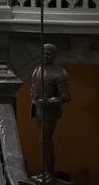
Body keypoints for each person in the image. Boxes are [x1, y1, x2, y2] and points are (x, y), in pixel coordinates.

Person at [28, 44, 70, 184]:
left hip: (50, 112)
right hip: (38, 109)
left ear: (54, 55)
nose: (45, 57)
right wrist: (35, 97)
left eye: (49, 54)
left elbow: (65, 96)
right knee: (43, 142)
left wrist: (50, 101)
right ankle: (45, 172)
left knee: (46, 142)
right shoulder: (37, 70)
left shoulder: (60, 73)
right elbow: (33, 88)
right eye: (43, 54)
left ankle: (50, 174)